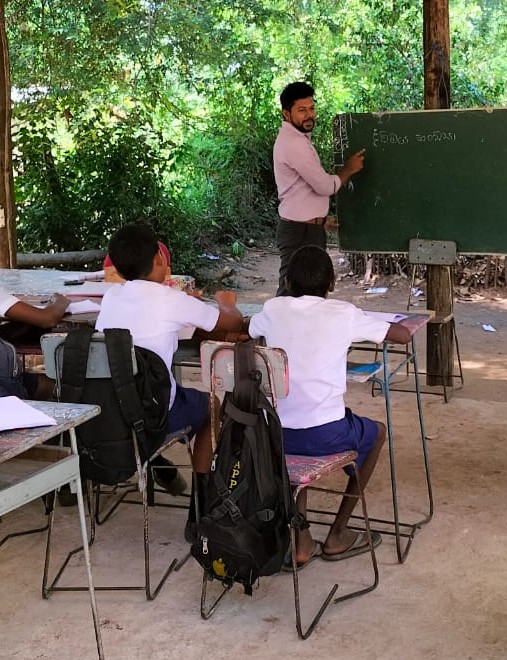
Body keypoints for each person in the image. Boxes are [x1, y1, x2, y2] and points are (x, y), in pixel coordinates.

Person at [246, 245, 411, 566]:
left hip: (275, 436)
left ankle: (301, 539)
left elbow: (248, 328)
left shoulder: (274, 309)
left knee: (295, 438)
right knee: (377, 433)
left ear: (289, 284)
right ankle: (338, 532)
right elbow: (402, 335)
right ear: (332, 283)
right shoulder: (343, 313)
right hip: (326, 436)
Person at [95, 224, 244, 539]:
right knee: (210, 404)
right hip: (152, 417)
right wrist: (226, 301)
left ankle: (155, 464)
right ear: (159, 260)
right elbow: (232, 324)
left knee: (156, 390)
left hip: (108, 418)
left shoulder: (110, 298)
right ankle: (200, 506)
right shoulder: (170, 300)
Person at [273, 81, 365, 296]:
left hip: (306, 229)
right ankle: (277, 329)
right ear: (286, 114)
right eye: (302, 110)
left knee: (308, 292)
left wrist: (321, 221)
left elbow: (302, 194)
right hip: (299, 232)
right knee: (291, 292)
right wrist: (348, 169)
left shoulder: (299, 139)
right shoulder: (293, 143)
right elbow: (324, 186)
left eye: (312, 108)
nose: (309, 115)